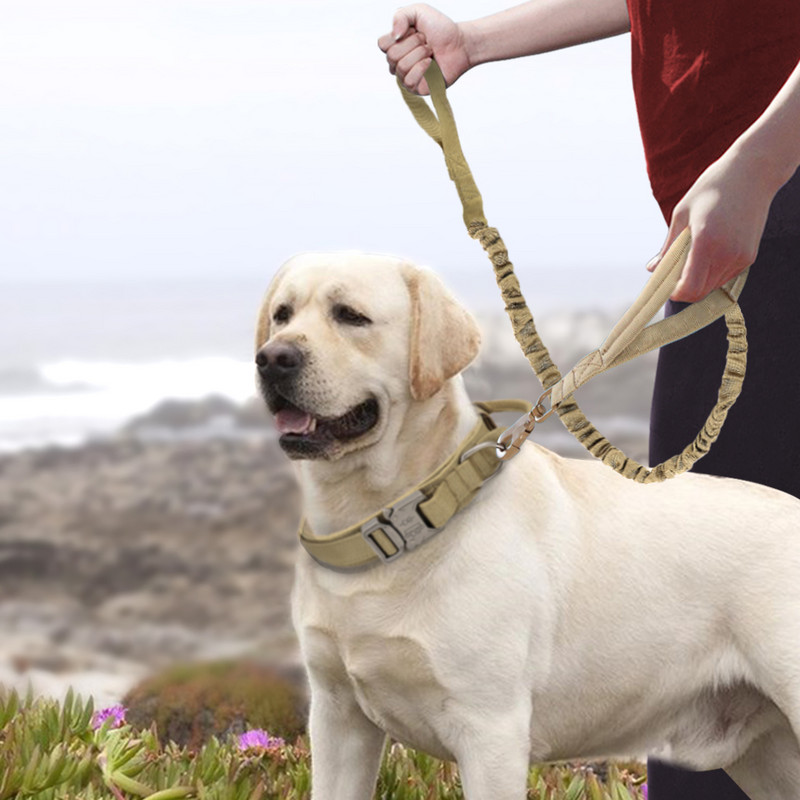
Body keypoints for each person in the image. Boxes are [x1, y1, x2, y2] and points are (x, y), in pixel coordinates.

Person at [378, 3, 800, 798]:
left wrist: (761, 165)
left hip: (762, 207)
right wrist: (477, 42)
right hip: (734, 226)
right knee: (710, 646)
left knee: (698, 627)